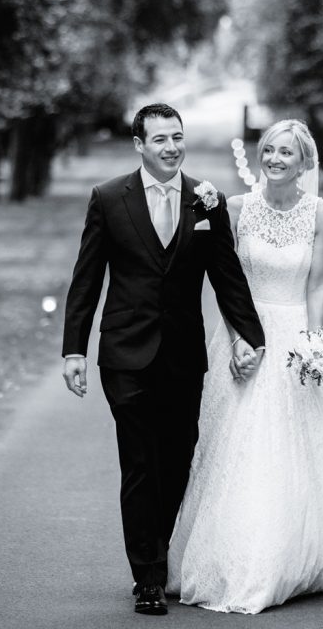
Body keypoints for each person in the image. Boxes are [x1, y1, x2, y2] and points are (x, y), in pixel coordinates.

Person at [61, 103, 265, 617]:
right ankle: (148, 576)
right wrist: (73, 349)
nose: (172, 147)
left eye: (177, 137)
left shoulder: (206, 200)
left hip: (181, 355)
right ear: (139, 145)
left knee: (176, 461)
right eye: (160, 139)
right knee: (139, 464)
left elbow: (227, 275)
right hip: (126, 354)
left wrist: (252, 336)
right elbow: (87, 279)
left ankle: (158, 548)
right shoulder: (109, 199)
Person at [167, 118, 323, 614]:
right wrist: (238, 341)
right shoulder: (235, 208)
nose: (273, 159)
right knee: (236, 448)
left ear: (304, 163)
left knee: (292, 449)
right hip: (243, 335)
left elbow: (318, 284)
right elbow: (225, 280)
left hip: (295, 338)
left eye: (285, 153)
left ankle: (289, 561)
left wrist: (317, 347)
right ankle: (232, 560)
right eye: (268, 149)